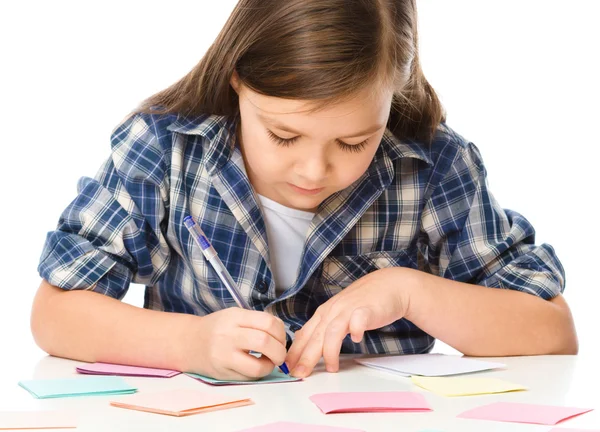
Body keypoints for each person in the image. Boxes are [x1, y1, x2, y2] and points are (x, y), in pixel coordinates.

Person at [31, 0, 578, 381]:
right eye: (283, 135)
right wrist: (188, 343)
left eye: (354, 142)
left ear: (393, 97)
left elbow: (552, 332)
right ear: (237, 78)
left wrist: (410, 291)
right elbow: (55, 314)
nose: (314, 170)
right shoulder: (165, 151)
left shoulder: (434, 167)